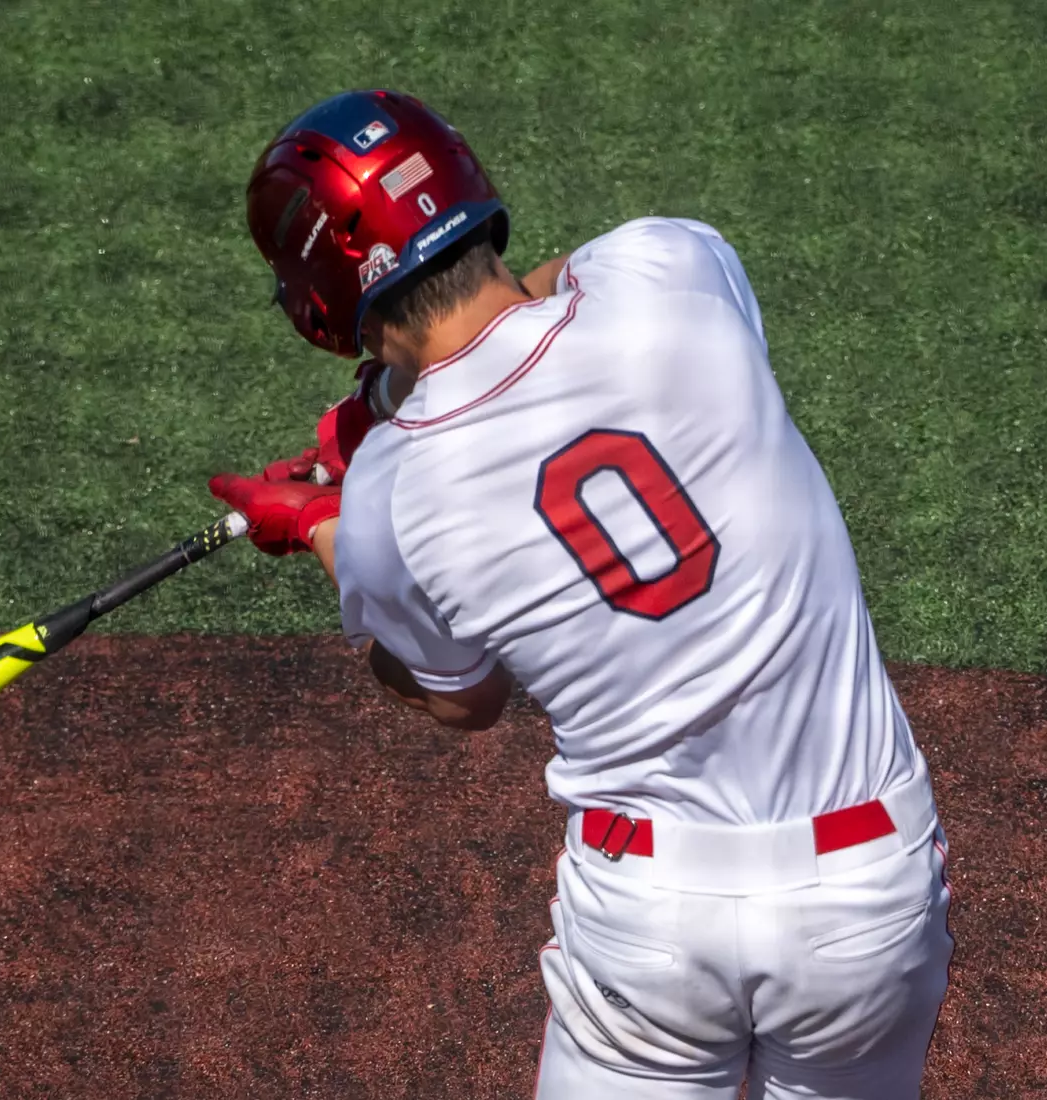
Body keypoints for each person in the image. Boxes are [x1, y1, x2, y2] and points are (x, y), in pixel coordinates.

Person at [210, 89, 953, 1098]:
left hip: (651, 921)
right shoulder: (670, 272)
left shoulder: (389, 494)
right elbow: (555, 284)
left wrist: (316, 522)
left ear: (321, 297)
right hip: (866, 895)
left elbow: (461, 697)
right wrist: (387, 403)